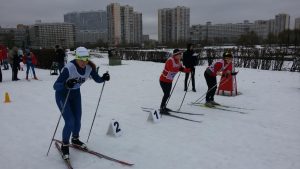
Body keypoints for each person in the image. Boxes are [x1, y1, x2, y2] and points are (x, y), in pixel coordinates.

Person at [53, 47, 110, 160]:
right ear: (76, 58)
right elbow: (55, 86)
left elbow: (97, 79)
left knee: (78, 120)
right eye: (81, 59)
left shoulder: (89, 67)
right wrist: (65, 84)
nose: (84, 62)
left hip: (75, 95)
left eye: (86, 59)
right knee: (70, 121)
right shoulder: (69, 68)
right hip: (62, 95)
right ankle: (65, 145)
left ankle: (75, 139)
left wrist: (103, 78)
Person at [159, 49, 190, 114]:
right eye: (179, 54)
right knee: (166, 94)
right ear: (175, 55)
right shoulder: (170, 60)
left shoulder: (179, 61)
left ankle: (164, 106)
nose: (181, 55)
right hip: (163, 80)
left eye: (181, 54)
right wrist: (179, 68)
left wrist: (188, 70)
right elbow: (172, 69)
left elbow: (182, 69)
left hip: (169, 81)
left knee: (167, 94)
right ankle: (162, 107)